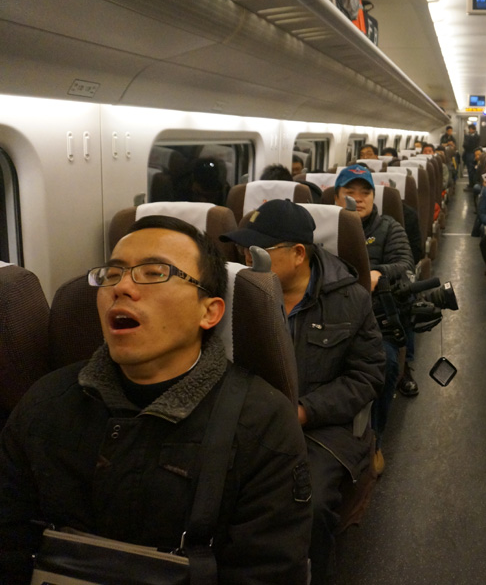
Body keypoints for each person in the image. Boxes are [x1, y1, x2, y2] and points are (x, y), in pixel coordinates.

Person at [0, 216, 312, 584]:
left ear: (209, 312)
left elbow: (266, 573)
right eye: (111, 274)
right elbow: (9, 544)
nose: (122, 288)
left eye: (154, 273)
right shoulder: (45, 403)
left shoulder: (263, 423)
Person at [220, 200, 383, 585]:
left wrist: (305, 411)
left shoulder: (350, 298)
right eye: (243, 251)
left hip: (321, 430)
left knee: (307, 507)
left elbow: (368, 374)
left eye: (257, 251)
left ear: (297, 254)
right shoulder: (233, 294)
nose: (245, 259)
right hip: (243, 419)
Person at [334, 165, 414, 472]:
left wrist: (378, 274)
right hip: (327, 315)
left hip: (376, 317)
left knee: (387, 363)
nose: (358, 198)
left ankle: (375, 439)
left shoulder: (388, 227)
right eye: (349, 192)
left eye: (364, 192)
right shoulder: (319, 226)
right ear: (336, 196)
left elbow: (406, 264)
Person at [463, 124, 480, 191]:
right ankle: (471, 183)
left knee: (471, 170)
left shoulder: (475, 137)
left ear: (473, 129)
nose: (469, 130)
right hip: (469, 153)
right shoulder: (470, 136)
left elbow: (467, 145)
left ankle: (472, 185)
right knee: (470, 170)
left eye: (470, 129)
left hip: (471, 153)